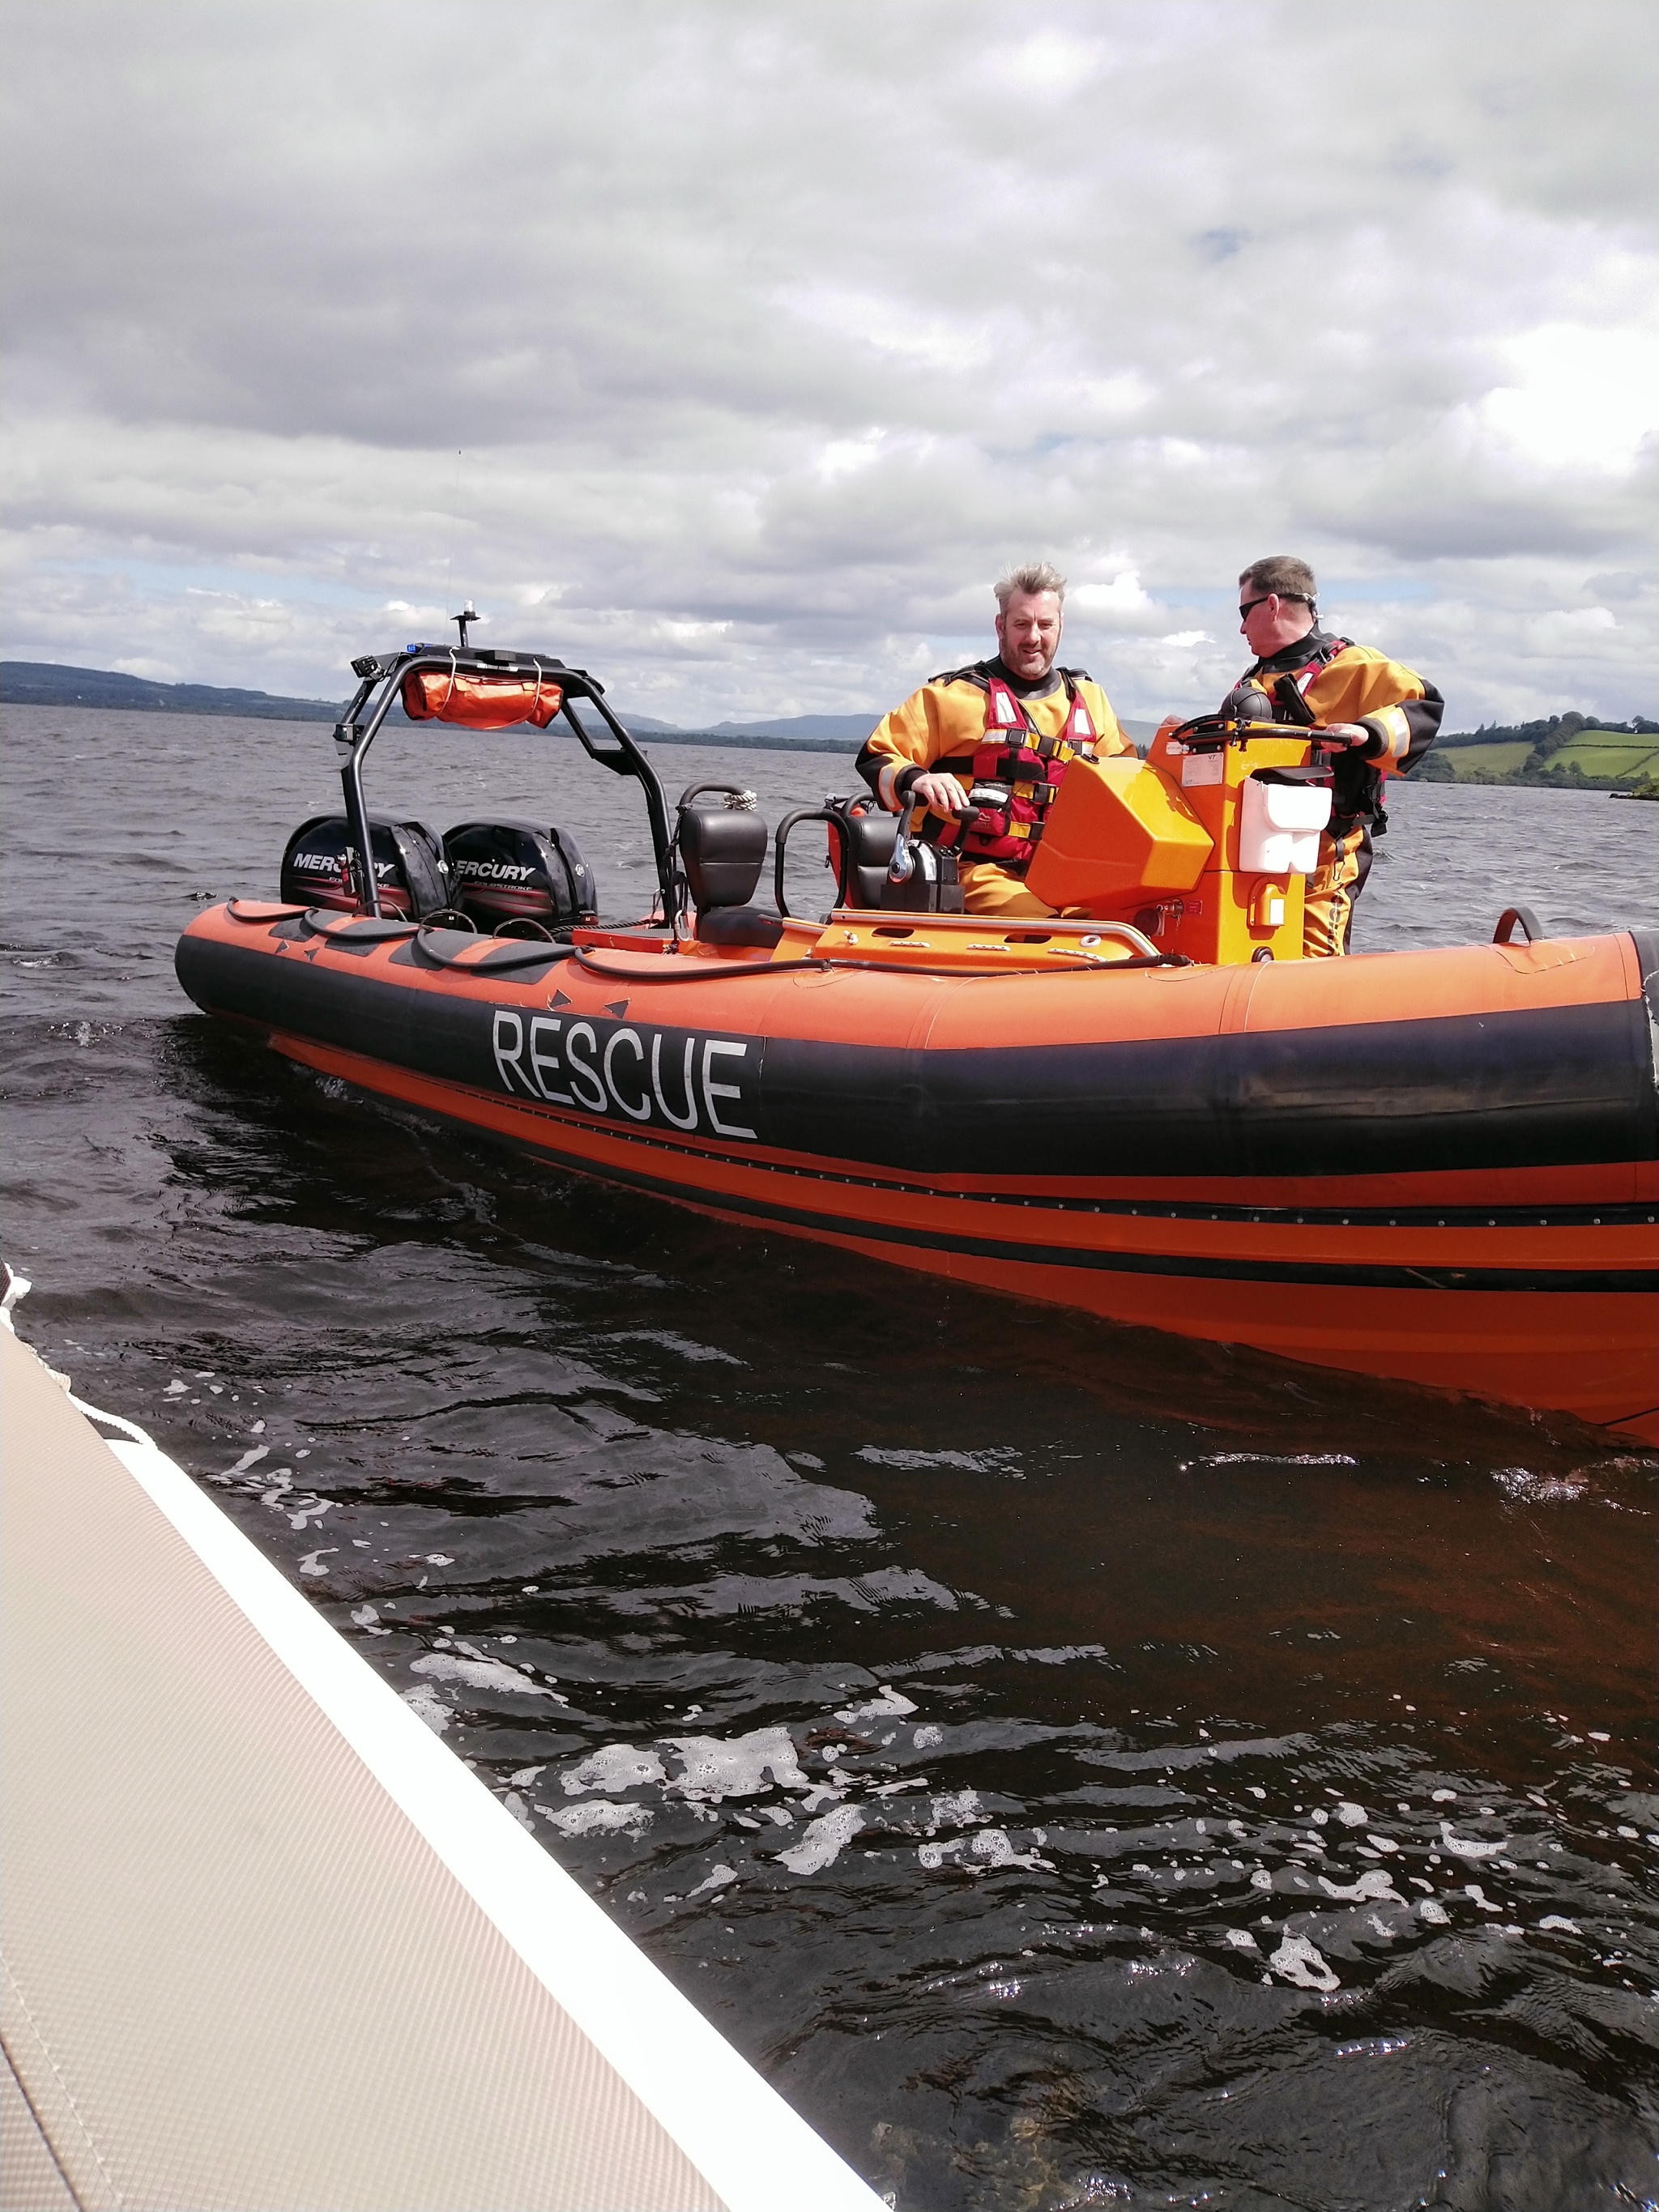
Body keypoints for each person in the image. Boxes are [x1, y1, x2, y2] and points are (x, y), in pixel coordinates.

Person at [856, 564, 1131, 918]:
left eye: (1045, 625)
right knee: (1056, 925)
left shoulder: (1092, 702)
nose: (1034, 637)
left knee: (1128, 920)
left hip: (1066, 875)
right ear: (1000, 626)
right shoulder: (951, 696)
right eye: (1021, 624)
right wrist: (919, 778)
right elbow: (876, 755)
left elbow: (1129, 784)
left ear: (1061, 627)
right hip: (972, 872)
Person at [1224, 556, 1442, 957]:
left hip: (1325, 857)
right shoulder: (1252, 681)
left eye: (1244, 612)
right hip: (1251, 854)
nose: (1240, 627)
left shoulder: (1355, 665)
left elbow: (1423, 708)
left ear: (1272, 605)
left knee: (1314, 962)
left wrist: (1368, 732)